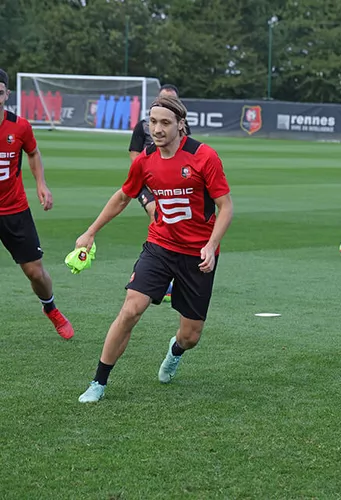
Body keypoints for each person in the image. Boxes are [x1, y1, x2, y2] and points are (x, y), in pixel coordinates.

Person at [77, 94, 233, 403]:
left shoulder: (204, 156)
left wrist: (211, 245)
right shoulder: (145, 160)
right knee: (130, 310)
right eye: (152, 122)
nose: (157, 129)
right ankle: (98, 382)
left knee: (190, 336)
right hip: (159, 247)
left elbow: (225, 206)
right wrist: (90, 232)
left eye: (165, 123)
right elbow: (123, 196)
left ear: (180, 125)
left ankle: (175, 351)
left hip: (197, 254)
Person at [0, 69, 74, 339]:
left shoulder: (20, 126)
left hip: (14, 210)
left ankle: (50, 308)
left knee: (35, 272)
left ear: (6, 94)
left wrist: (41, 184)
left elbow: (32, 152)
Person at [128, 84, 191, 302]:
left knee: (171, 222)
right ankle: (149, 271)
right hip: (147, 182)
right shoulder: (143, 126)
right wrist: (147, 172)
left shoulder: (180, 124)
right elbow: (134, 153)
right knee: (157, 214)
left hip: (171, 182)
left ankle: (160, 271)